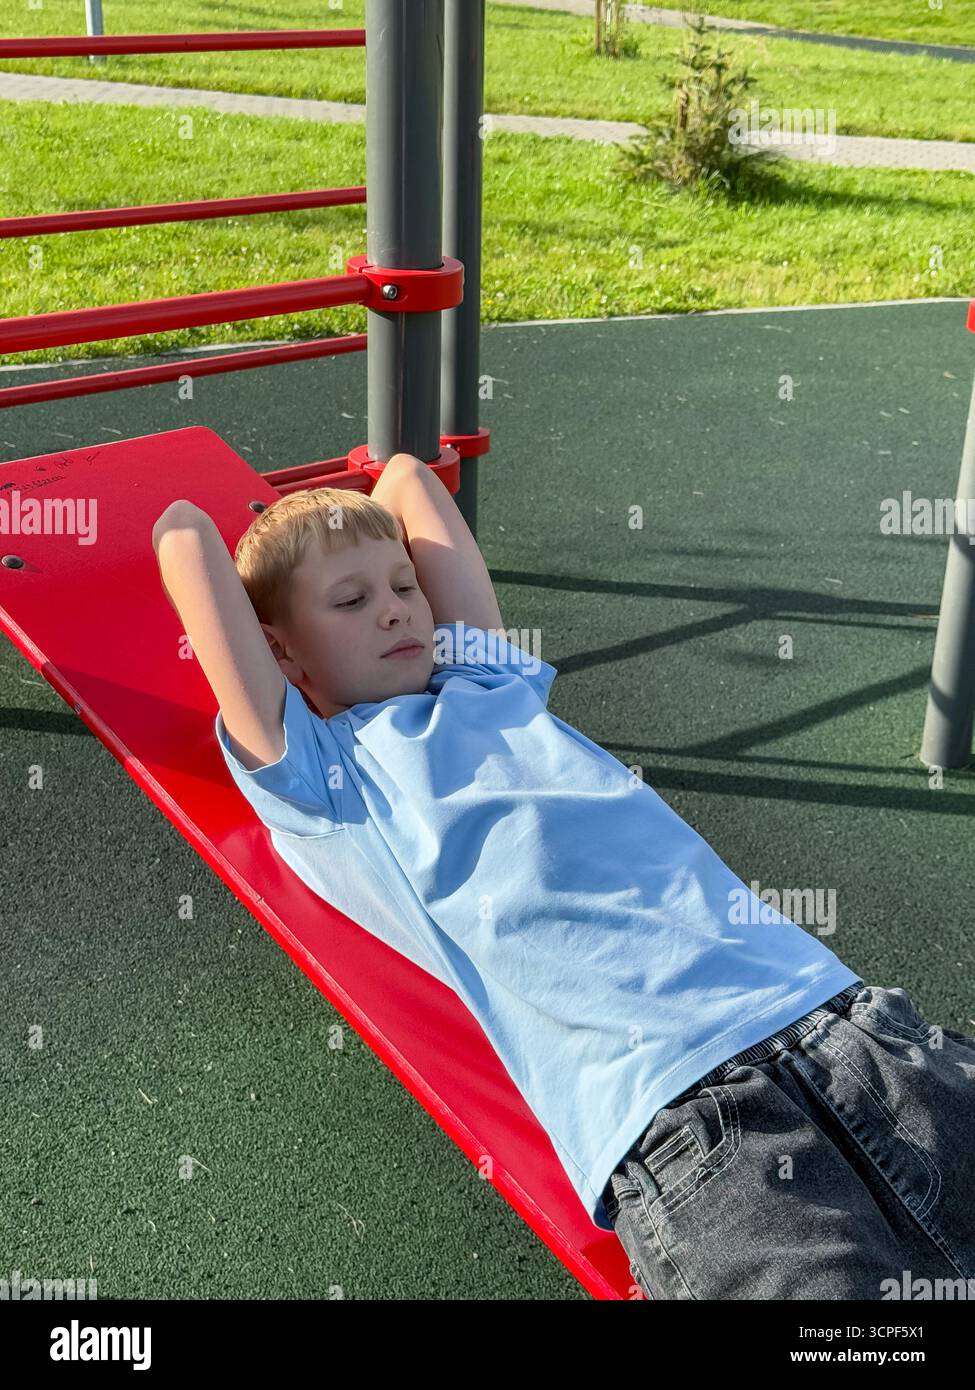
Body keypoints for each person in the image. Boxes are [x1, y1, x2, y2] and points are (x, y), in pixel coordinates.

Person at [152, 453, 975, 1300]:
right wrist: (290, 537)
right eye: (351, 601)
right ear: (282, 655)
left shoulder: (484, 680)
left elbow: (404, 480)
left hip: (852, 1030)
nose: (396, 610)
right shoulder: (327, 777)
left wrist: (344, 525)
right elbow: (182, 535)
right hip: (694, 1120)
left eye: (403, 585)